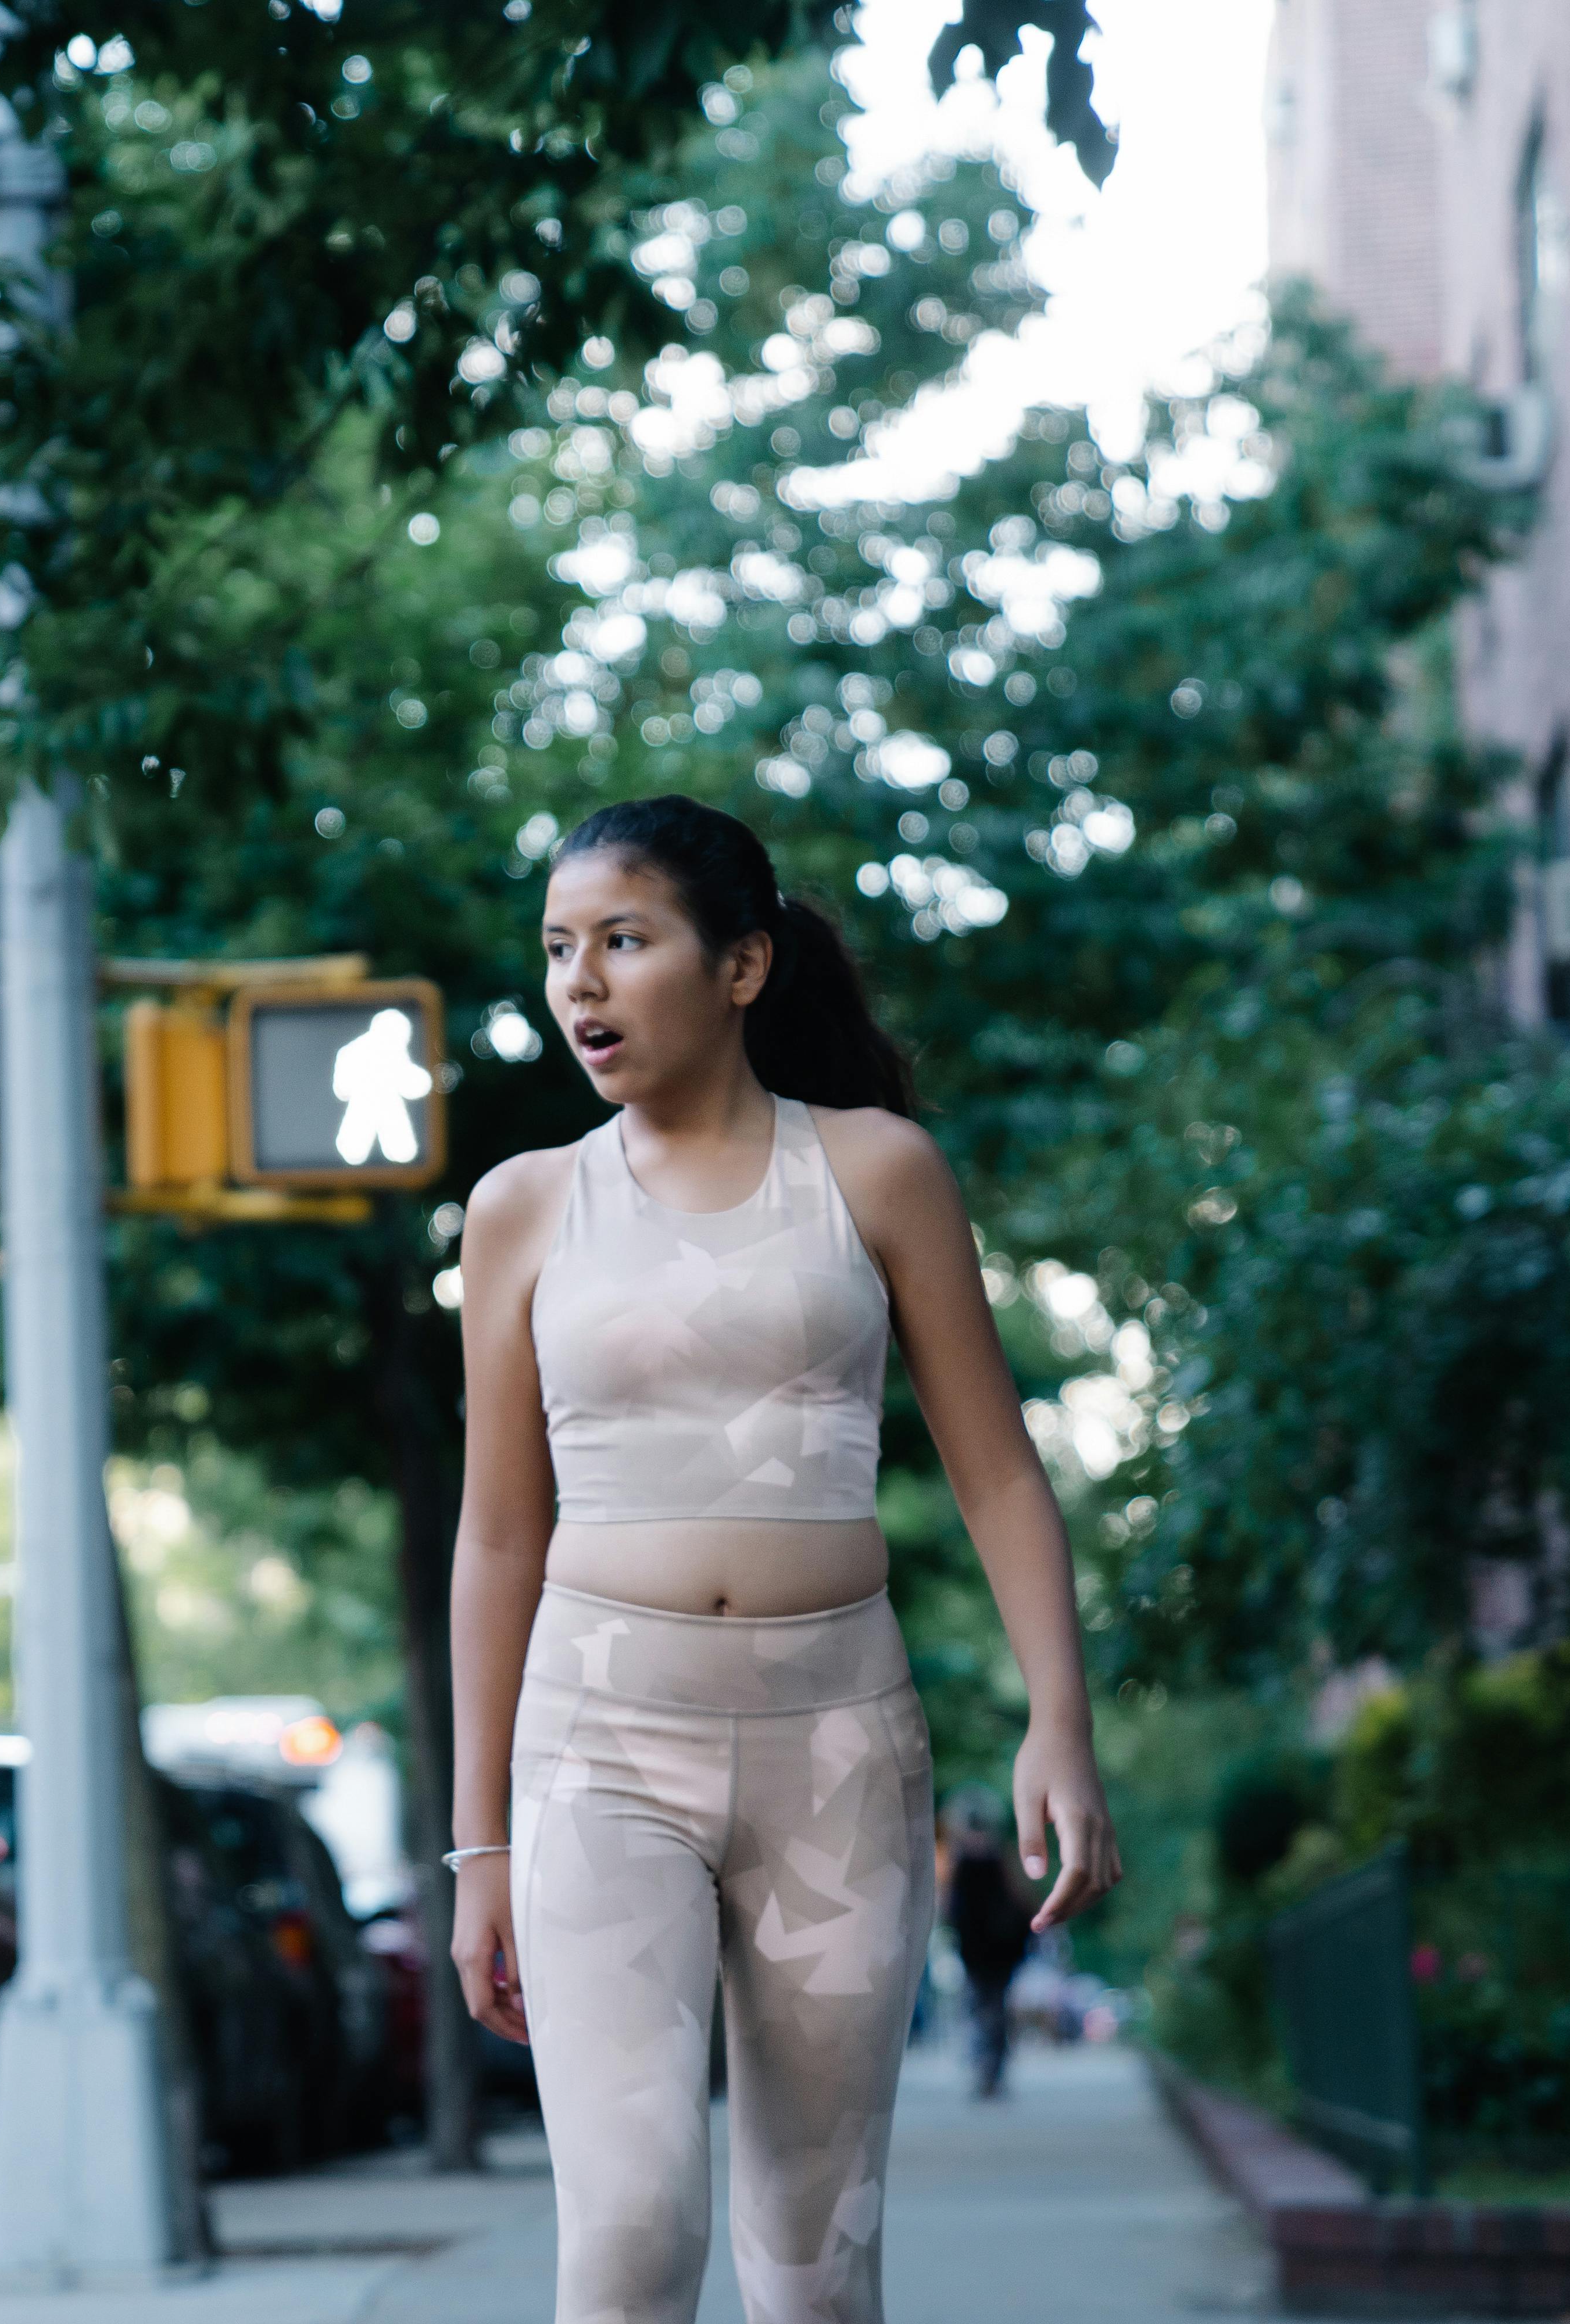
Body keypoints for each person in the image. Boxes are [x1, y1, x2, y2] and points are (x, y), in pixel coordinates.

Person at [444, 795, 1121, 2323]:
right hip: (597, 1749)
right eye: (559, 950)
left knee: (816, 2273)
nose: (582, 985)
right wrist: (477, 1848)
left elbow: (1000, 1470)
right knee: (628, 2238)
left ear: (741, 966)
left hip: (838, 1749)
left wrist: (1058, 1725)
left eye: (625, 941)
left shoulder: (877, 1172)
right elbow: (497, 1535)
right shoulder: (525, 1208)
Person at [942, 1788, 1037, 2101]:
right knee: (995, 2007)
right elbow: (1020, 1897)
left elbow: (948, 1905)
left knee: (981, 2006)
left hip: (978, 1945)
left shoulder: (961, 1859)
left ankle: (986, 2070)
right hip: (998, 1946)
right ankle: (991, 2072)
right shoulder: (998, 1855)